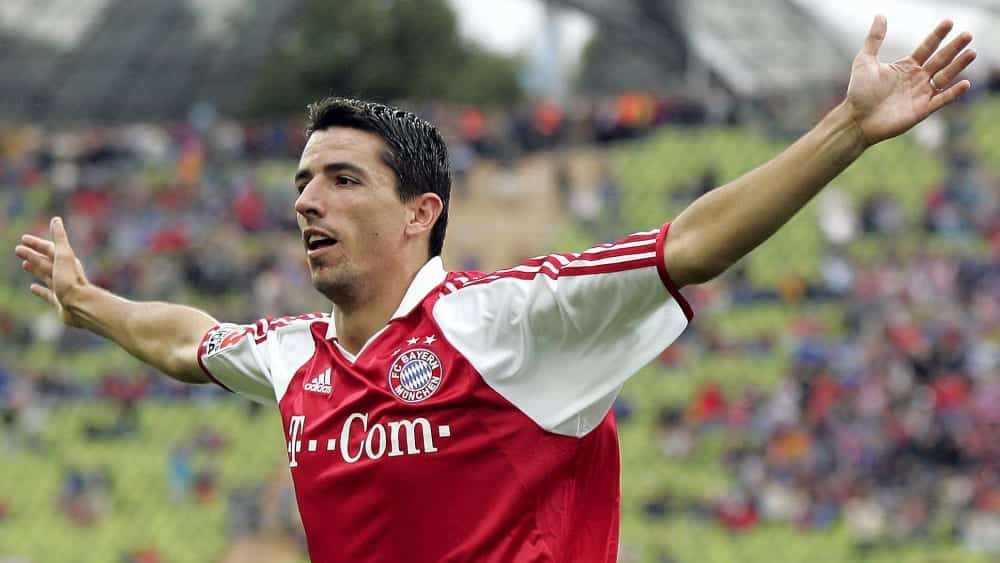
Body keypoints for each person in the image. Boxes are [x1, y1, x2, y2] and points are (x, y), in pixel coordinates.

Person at [13, 15, 976, 563]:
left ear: (419, 212)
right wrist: (87, 301)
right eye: (303, 180)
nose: (307, 198)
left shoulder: (508, 321)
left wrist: (846, 131)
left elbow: (687, 245)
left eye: (342, 178)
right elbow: (186, 340)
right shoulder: (295, 354)